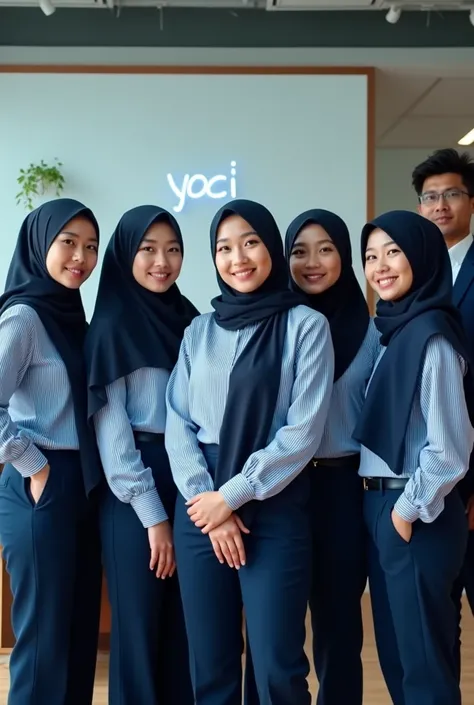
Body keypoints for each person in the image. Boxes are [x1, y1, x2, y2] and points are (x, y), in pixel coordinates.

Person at [165, 199, 334, 705]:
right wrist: (208, 503)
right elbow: (179, 421)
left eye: (250, 242)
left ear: (271, 249)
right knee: (210, 661)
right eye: (223, 247)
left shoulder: (305, 325)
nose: (237, 257)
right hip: (200, 503)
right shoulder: (198, 330)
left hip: (274, 500)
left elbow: (301, 433)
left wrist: (232, 497)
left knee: (278, 663)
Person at [354, 210, 474, 705]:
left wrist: (404, 513)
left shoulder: (433, 339)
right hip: (385, 506)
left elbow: (450, 449)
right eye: (370, 256)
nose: (380, 266)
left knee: (424, 668)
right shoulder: (393, 332)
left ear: (422, 258)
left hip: (416, 509)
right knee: (402, 661)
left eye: (393, 252)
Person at [85, 205, 197, 705]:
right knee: (138, 629)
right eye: (148, 249)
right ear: (126, 253)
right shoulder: (110, 327)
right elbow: (114, 440)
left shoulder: (191, 320)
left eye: (173, 249)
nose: (162, 261)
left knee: (183, 627)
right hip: (134, 492)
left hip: (190, 480)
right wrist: (154, 519)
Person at [0, 198, 103, 705]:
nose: (80, 257)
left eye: (90, 246)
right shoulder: (23, 317)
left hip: (81, 482)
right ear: (40, 244)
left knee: (78, 631)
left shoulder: (71, 316)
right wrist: (34, 465)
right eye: (68, 243)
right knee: (43, 639)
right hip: (40, 480)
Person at [286, 209, 379, 705]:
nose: (313, 262)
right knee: (275, 624)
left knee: (339, 626)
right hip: (280, 489)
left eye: (326, 249)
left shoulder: (374, 333)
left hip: (343, 490)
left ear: (344, 256)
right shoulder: (274, 329)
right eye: (299, 251)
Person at [412, 148, 474, 676]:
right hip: (430, 481)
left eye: (451, 193)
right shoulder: (410, 279)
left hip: (471, 476)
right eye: (429, 197)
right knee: (436, 627)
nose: (439, 205)